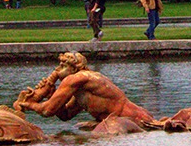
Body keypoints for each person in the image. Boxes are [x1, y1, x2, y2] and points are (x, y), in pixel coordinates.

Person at [14, 52, 155, 125]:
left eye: (62, 66)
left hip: (133, 119)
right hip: (134, 117)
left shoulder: (76, 79)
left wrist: (29, 104)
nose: (57, 70)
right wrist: (51, 94)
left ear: (73, 68)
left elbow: (47, 110)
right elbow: (66, 115)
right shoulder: (82, 87)